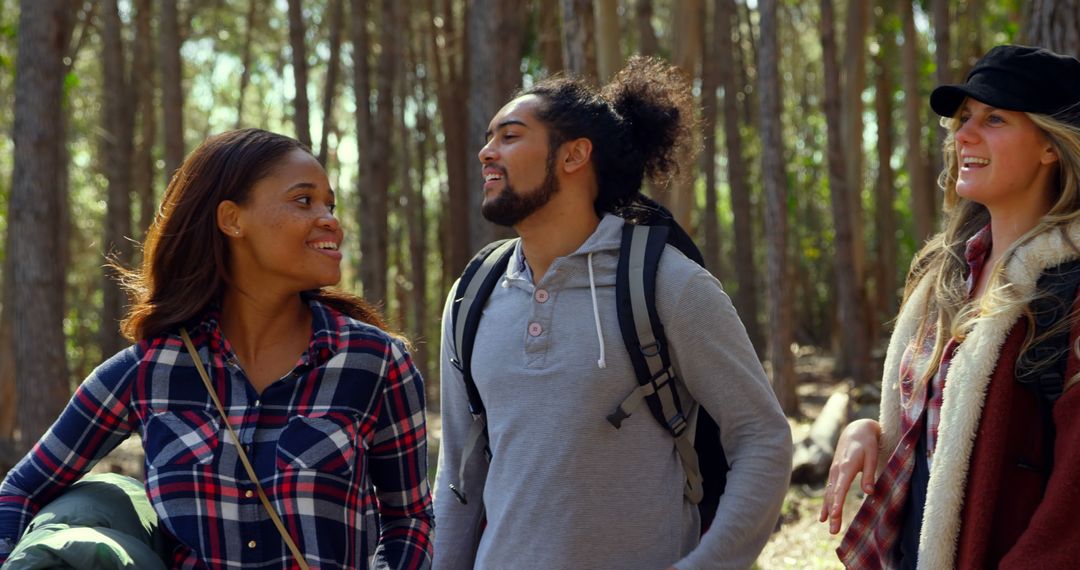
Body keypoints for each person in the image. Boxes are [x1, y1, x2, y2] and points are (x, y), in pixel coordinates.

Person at [0, 128, 433, 569]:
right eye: (304, 201)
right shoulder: (152, 369)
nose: (330, 220)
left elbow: (409, 521)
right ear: (232, 219)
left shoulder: (374, 363)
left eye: (330, 205)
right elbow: (21, 490)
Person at [433, 56, 792, 570]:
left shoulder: (670, 284)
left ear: (575, 155)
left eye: (510, 136)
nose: (486, 152)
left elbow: (762, 437)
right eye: (490, 138)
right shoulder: (473, 295)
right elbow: (459, 477)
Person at [821, 44, 1080, 568]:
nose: (963, 135)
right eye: (963, 118)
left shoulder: (1069, 293)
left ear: (1051, 146)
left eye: (994, 118)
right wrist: (872, 431)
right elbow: (942, 434)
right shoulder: (945, 277)